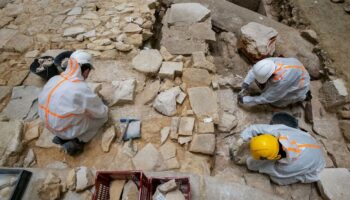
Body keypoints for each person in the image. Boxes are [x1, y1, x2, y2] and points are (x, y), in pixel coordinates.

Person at [38, 50, 108, 155]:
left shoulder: (54, 79)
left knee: (77, 110)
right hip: (65, 131)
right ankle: (77, 141)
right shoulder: (80, 88)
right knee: (103, 118)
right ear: (86, 70)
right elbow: (101, 112)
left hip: (49, 126)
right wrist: (104, 106)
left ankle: (60, 137)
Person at [240, 124, 325, 185]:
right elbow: (257, 128)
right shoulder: (280, 132)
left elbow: (264, 167)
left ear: (276, 157)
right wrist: (242, 137)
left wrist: (248, 162)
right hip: (309, 141)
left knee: (277, 179)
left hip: (315, 164)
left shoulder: (287, 167)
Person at [238, 57, 311, 107]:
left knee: (277, 102)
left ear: (271, 75)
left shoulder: (283, 81)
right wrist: (246, 83)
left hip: (301, 83)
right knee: (267, 88)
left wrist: (245, 100)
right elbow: (254, 71)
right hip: (296, 67)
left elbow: (266, 98)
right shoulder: (268, 63)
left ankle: (305, 96)